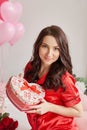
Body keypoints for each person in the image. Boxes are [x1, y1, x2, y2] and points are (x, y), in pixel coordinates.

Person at [23, 25, 83, 130]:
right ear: (38, 46)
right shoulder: (30, 68)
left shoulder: (64, 78)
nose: (49, 53)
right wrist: (20, 84)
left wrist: (49, 107)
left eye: (56, 49)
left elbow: (78, 111)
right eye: (45, 46)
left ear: (61, 51)